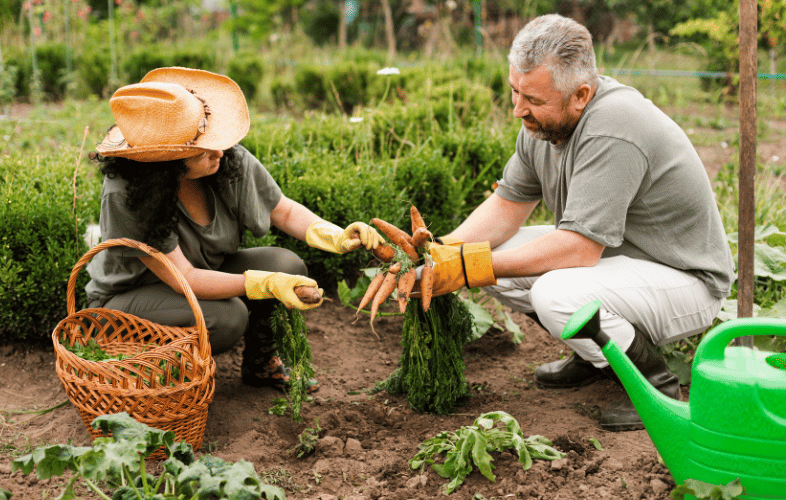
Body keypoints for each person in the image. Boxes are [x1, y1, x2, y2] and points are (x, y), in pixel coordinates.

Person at [415, 14, 734, 431]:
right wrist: (442, 250)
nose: (517, 110)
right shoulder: (544, 124)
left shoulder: (613, 127)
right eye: (515, 92)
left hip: (683, 276)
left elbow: (579, 248)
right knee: (492, 258)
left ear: (581, 94)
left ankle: (654, 384)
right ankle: (594, 356)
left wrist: (468, 267)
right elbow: (507, 205)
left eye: (532, 99)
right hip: (621, 261)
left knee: (554, 291)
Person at [85, 67, 385, 393]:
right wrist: (263, 284)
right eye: (200, 151)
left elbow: (282, 209)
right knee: (227, 318)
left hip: (202, 275)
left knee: (286, 265)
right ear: (166, 162)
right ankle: (158, 378)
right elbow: (185, 277)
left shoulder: (225, 158)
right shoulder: (128, 192)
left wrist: (337, 236)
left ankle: (261, 366)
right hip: (130, 299)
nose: (218, 151)